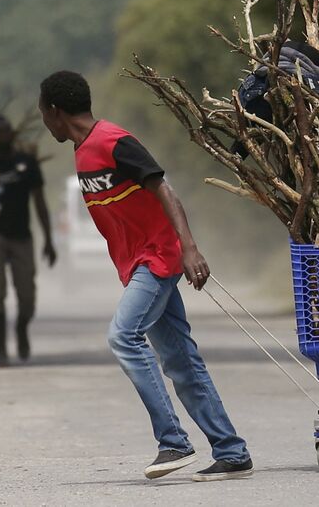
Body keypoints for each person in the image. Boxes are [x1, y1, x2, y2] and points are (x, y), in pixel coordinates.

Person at [38, 70, 253, 482]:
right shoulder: (83, 150)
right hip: (138, 262)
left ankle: (173, 441)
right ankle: (231, 451)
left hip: (156, 260)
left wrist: (189, 247)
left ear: (54, 110)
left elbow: (164, 189)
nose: (43, 122)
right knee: (181, 361)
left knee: (123, 336)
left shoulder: (112, 141)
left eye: (42, 112)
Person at [0, 116, 56, 367]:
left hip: (21, 234)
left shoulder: (26, 164)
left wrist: (49, 240)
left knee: (27, 294)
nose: (1, 135)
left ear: (12, 133)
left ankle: (21, 328)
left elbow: (40, 202)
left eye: (5, 131)